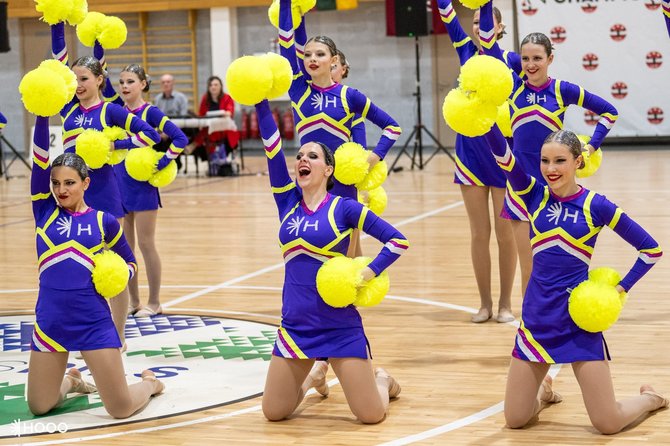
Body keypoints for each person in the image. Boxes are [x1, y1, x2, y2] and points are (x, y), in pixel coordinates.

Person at [483, 124, 666, 433]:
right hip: (537, 320)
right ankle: (544, 391)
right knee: (515, 419)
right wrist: (485, 121)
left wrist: (620, 289)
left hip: (578, 323)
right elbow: (505, 157)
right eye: (545, 161)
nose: (550, 169)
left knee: (607, 423)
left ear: (578, 161)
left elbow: (651, 249)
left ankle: (650, 399)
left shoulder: (597, 205)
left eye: (560, 161)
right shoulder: (532, 194)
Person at [255, 98, 408, 424]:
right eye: (299, 156)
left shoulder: (344, 208)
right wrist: (259, 101)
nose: (301, 160)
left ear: (328, 169)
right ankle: (312, 378)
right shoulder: (287, 202)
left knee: (370, 415)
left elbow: (397, 241)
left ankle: (381, 379)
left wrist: (367, 272)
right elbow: (271, 147)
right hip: (295, 325)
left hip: (339, 325)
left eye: (312, 156)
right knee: (274, 412)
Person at [27, 115, 164, 419]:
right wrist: (41, 113)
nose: (61, 190)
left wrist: (119, 276)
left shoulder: (104, 222)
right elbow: (39, 157)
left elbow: (130, 262)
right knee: (39, 406)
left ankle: (151, 383)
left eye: (69, 183)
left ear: (86, 183)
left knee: (121, 408)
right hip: (50, 322)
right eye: (56, 183)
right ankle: (73, 380)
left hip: (92, 323)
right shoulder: (44, 211)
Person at [480, 7, 618, 299]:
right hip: (519, 187)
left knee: (555, 263)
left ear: (550, 59)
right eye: (526, 58)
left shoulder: (562, 90)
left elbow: (609, 112)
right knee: (528, 265)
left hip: (554, 187)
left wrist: (591, 145)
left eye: (537, 58)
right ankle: (530, 321)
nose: (531, 64)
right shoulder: (512, 88)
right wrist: (483, 4)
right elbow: (488, 44)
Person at [51, 22, 161, 348]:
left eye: (84, 78)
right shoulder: (67, 109)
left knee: (111, 264)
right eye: (74, 80)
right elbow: (58, 65)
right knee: (75, 261)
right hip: (69, 196)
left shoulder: (110, 110)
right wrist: (58, 21)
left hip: (104, 193)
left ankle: (118, 332)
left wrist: (116, 146)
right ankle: (81, 323)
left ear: (100, 80)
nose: (77, 84)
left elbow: (150, 134)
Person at [435, 0, 517, 323]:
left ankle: (507, 304)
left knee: (505, 233)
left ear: (498, 27)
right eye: (473, 23)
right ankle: (484, 303)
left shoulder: (510, 60)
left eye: (483, 21)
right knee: (478, 233)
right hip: (469, 151)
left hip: (502, 153)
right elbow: (446, 14)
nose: (476, 28)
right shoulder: (465, 51)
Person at [278, 0, 401, 203]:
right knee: (309, 235)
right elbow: (286, 42)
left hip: (343, 183)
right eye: (307, 55)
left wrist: (372, 159)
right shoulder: (298, 89)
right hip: (309, 183)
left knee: (348, 235)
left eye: (320, 54)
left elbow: (392, 128)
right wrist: (286, 4)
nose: (312, 59)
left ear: (334, 60)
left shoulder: (350, 96)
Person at [113, 64, 188, 317]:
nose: (124, 86)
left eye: (130, 81)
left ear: (143, 84)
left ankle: (154, 302)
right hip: (118, 183)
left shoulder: (151, 112)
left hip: (143, 186)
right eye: (122, 82)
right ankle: (134, 301)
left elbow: (180, 138)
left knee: (146, 244)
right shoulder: (115, 112)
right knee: (124, 247)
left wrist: (163, 162)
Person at [191, 75, 240, 163]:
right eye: (211, 85)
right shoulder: (205, 98)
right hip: (210, 129)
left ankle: (195, 144)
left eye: (216, 85)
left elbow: (230, 112)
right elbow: (201, 115)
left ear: (221, 86)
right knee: (199, 131)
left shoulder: (227, 98)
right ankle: (206, 153)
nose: (213, 87)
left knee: (205, 133)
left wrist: (226, 113)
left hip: (225, 129)